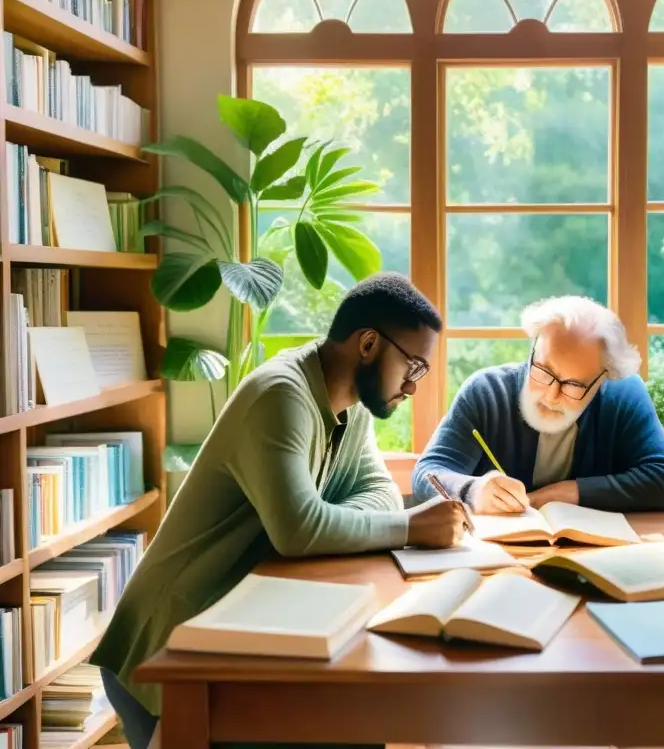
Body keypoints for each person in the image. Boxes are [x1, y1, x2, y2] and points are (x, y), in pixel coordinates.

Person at [91, 273, 469, 749]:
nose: (413, 387)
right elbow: (299, 531)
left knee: (358, 721)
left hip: (239, 626)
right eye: (413, 366)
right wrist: (411, 527)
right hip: (168, 646)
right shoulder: (281, 395)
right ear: (368, 343)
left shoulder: (347, 405)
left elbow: (377, 493)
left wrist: (335, 520)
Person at [412, 295, 664, 513]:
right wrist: (474, 490)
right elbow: (428, 473)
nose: (551, 394)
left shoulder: (623, 394)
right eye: (543, 371)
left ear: (603, 380)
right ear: (532, 350)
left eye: (573, 385)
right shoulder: (486, 392)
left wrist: (566, 493)